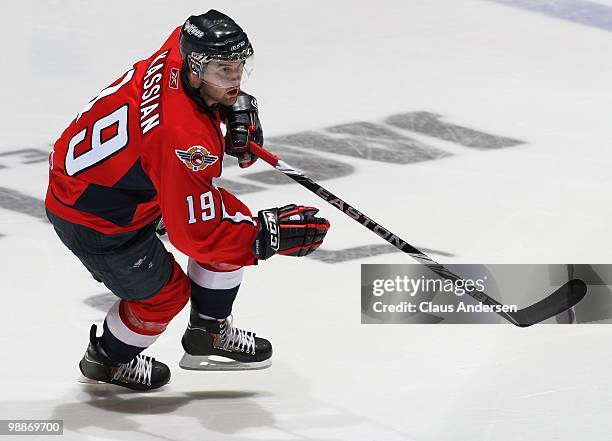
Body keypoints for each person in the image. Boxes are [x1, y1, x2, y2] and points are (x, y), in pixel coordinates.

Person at [45, 10, 330, 391]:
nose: (235, 79)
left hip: (120, 181)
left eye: (238, 68)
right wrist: (267, 237)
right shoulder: (184, 140)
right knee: (165, 295)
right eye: (222, 71)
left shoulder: (180, 49)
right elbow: (196, 235)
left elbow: (190, 38)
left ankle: (207, 337)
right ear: (195, 69)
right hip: (95, 218)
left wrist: (235, 104)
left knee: (229, 217)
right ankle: (106, 361)